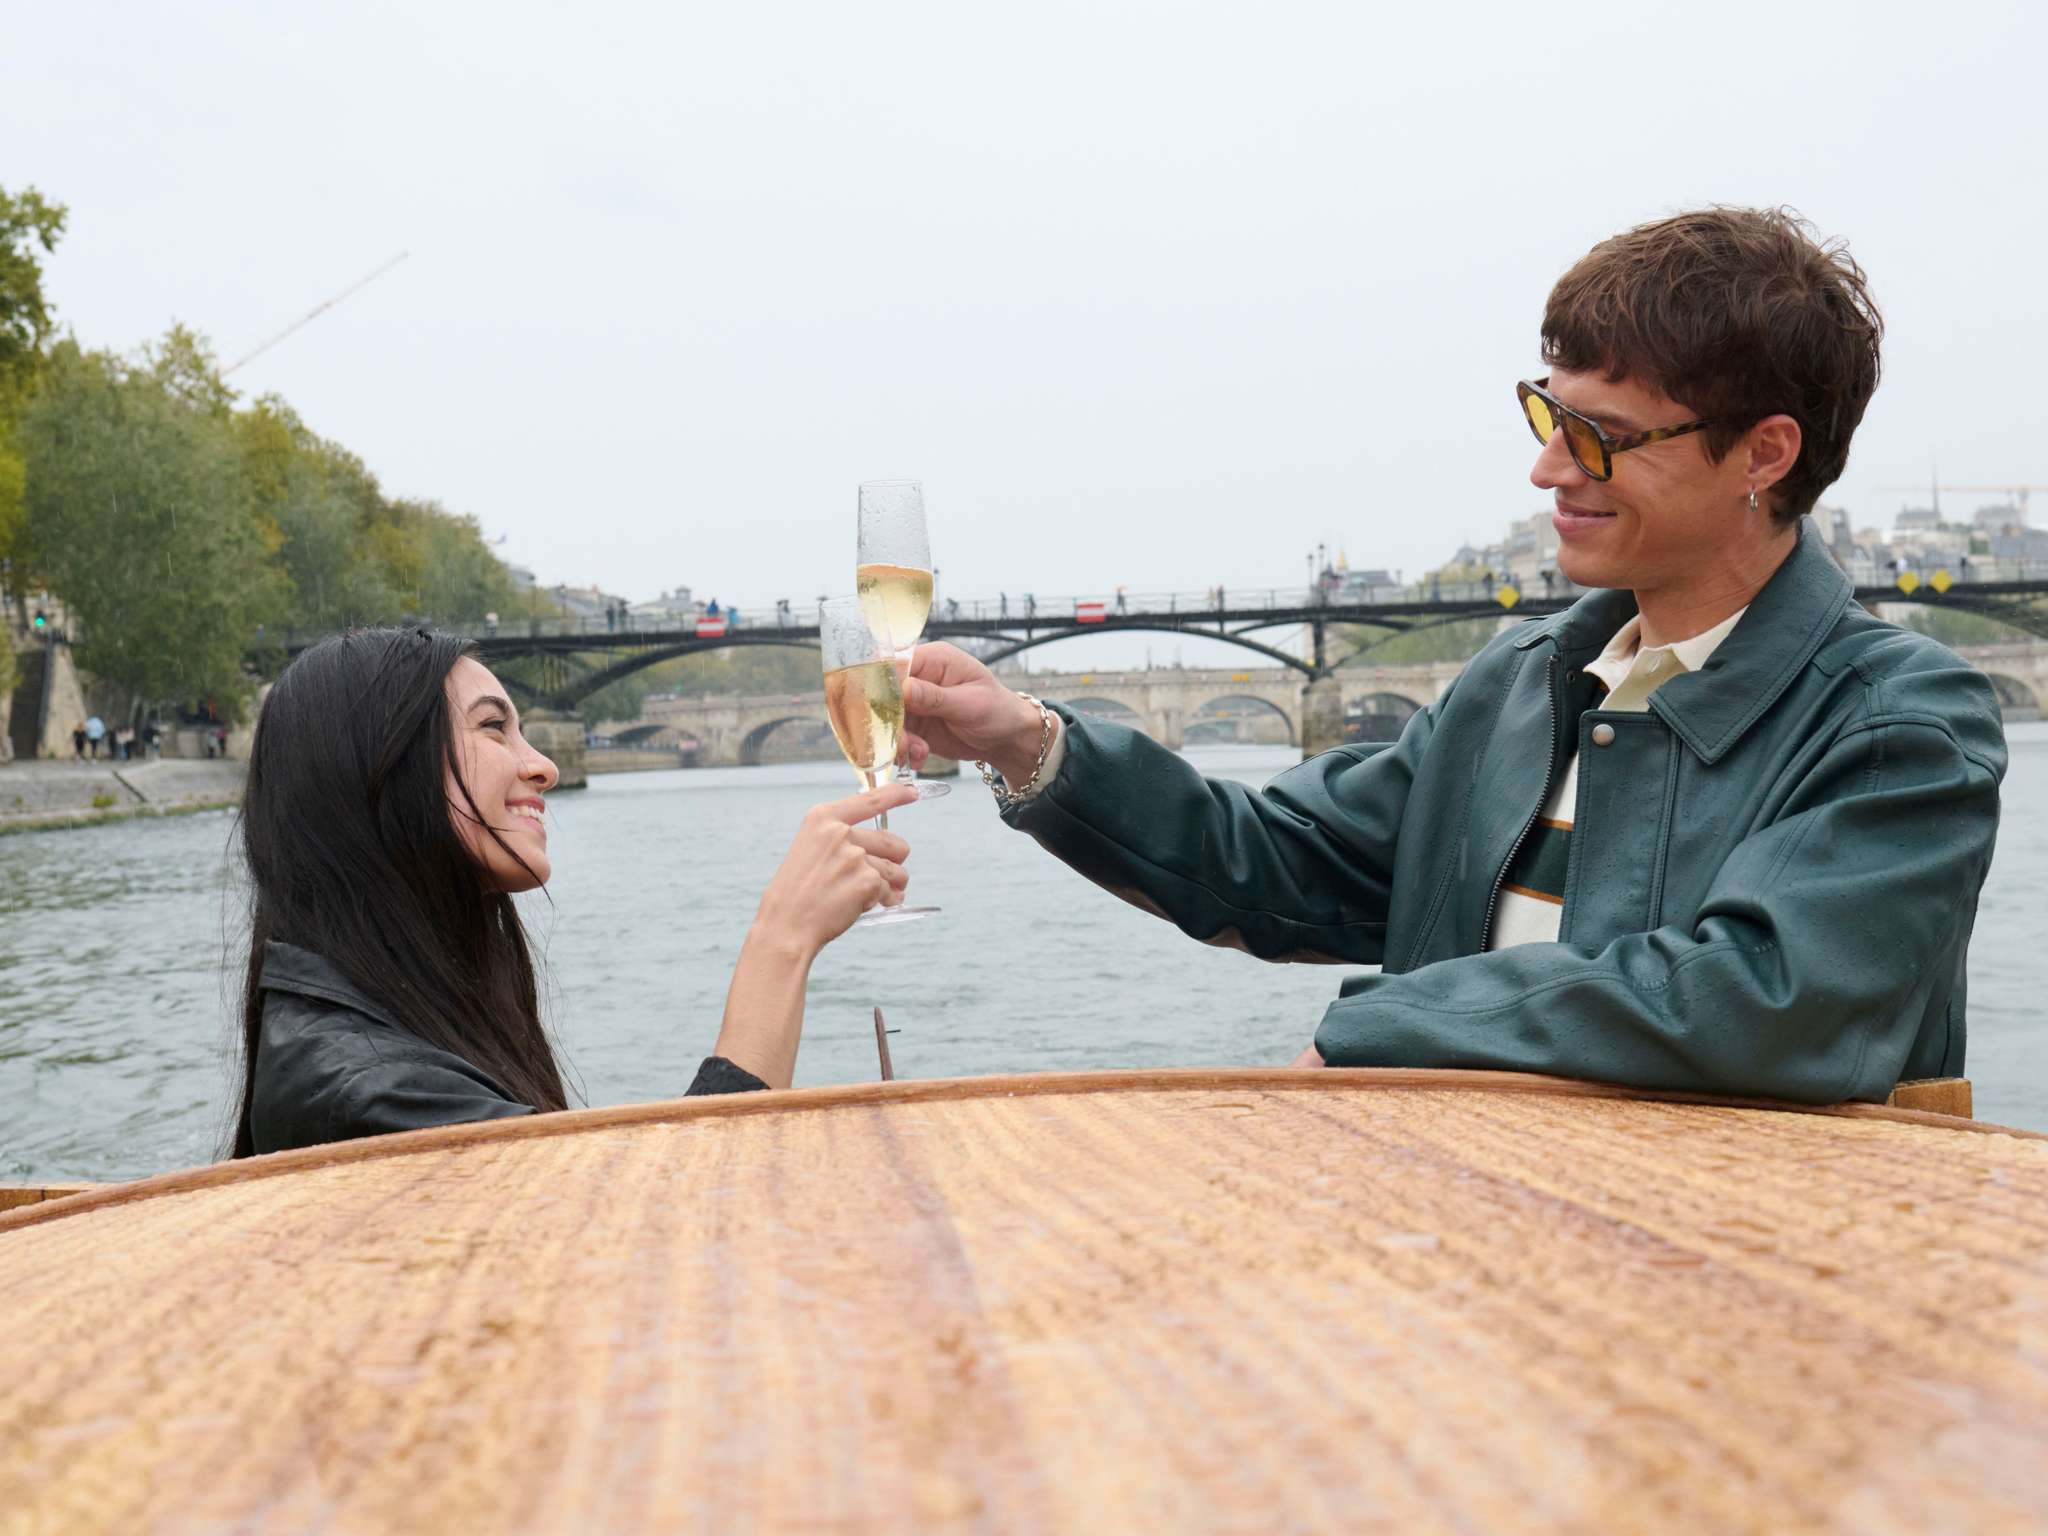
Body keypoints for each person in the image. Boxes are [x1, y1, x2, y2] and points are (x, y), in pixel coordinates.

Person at [903, 207, 2006, 1105]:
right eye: (1546, 415)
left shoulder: (1898, 722)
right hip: (1480, 1263)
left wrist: (1396, 1024)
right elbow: (1286, 863)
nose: (1546, 472)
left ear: (1762, 453)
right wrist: (1030, 745)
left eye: (1598, 438)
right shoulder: (1516, 687)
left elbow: (1766, 995)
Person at [227, 627, 915, 1157]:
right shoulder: (365, 1093)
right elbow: (670, 1225)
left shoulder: (371, 1037)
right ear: (379, 770)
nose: (545, 766)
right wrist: (783, 939)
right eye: (494, 727)